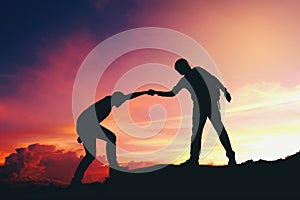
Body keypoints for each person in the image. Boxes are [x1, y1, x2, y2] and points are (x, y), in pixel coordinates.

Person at [149, 58, 236, 166]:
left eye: (179, 69)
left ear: (184, 66)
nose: (179, 72)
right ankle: (194, 159)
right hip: (201, 108)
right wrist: (156, 92)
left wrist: (225, 91)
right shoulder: (186, 79)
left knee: (217, 130)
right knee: (200, 133)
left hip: (209, 106)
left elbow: (212, 79)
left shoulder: (197, 71)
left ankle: (229, 156)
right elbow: (172, 93)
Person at [70, 90, 152, 185]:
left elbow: (129, 96)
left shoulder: (111, 101)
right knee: (111, 138)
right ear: (117, 99)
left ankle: (76, 179)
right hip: (87, 125)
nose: (121, 103)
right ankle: (113, 168)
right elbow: (90, 116)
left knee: (91, 154)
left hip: (86, 125)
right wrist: (83, 134)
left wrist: (145, 92)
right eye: (121, 101)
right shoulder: (107, 102)